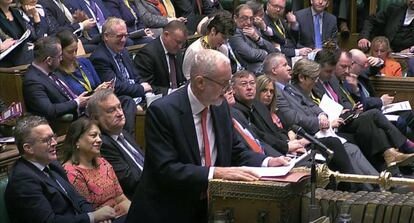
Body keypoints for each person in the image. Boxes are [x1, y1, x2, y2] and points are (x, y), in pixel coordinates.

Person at [126, 49, 290, 223]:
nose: (228, 91)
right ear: (200, 82)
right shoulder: (163, 111)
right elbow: (166, 169)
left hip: (210, 205)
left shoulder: (220, 106)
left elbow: (235, 150)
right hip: (168, 210)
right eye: (223, 84)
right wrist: (217, 173)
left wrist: (268, 162)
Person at [5, 115, 116, 223]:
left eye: (53, 137)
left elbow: (77, 199)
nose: (54, 143)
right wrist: (92, 217)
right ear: (28, 148)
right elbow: (48, 221)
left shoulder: (52, 164)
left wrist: (98, 218)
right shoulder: (22, 180)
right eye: (46, 140)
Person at [90, 17, 152, 133]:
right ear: (106, 37)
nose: (124, 40)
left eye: (125, 35)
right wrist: (141, 88)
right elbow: (116, 87)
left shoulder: (123, 51)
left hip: (137, 95)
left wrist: (144, 87)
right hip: (122, 100)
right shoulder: (100, 58)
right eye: (119, 36)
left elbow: (135, 76)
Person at [62, 117, 131, 218]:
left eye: (100, 136)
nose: (99, 140)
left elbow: (121, 197)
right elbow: (87, 211)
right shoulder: (71, 172)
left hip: (119, 215)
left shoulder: (103, 162)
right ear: (77, 141)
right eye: (93, 136)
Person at [87, 89, 145, 199]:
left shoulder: (122, 132)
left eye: (119, 107)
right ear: (95, 118)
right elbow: (131, 182)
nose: (120, 113)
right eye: (111, 110)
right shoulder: (102, 144)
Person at [23, 36, 90, 123]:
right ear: (49, 60)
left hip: (82, 113)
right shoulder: (32, 82)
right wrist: (77, 102)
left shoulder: (53, 70)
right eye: (59, 56)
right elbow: (49, 110)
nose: (61, 59)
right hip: (67, 123)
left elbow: (69, 93)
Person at [134, 20, 187, 95]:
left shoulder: (176, 50)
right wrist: (171, 92)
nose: (180, 47)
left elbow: (181, 79)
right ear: (166, 35)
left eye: (182, 43)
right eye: (178, 42)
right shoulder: (147, 54)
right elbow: (146, 87)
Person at [183, 10, 235, 79]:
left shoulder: (223, 49)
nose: (224, 42)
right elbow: (187, 76)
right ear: (213, 30)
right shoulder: (194, 50)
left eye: (227, 38)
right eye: (223, 37)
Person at [55, 29, 109, 96]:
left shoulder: (84, 62)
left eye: (76, 50)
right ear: (60, 52)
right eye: (70, 52)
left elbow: (98, 83)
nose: (74, 55)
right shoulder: (57, 74)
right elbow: (72, 100)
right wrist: (94, 93)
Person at [229, 4, 278, 74]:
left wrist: (257, 38)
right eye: (244, 18)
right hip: (252, 72)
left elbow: (273, 50)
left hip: (263, 68)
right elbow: (250, 54)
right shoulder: (235, 33)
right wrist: (266, 53)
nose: (248, 22)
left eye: (251, 19)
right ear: (235, 18)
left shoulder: (253, 29)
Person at [0, 0, 46, 66]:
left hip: (25, 53)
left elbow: (36, 37)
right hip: (10, 58)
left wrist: (36, 16)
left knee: (50, 49)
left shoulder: (16, 12)